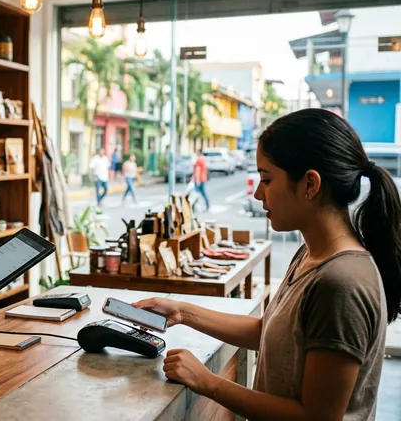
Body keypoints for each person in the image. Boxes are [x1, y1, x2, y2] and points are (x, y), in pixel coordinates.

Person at [133, 108, 400, 420]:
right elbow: (271, 332)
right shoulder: (311, 255)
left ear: (310, 184)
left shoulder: (341, 283)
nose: (259, 193)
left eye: (267, 179)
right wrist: (182, 312)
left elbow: (316, 418)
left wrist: (208, 383)